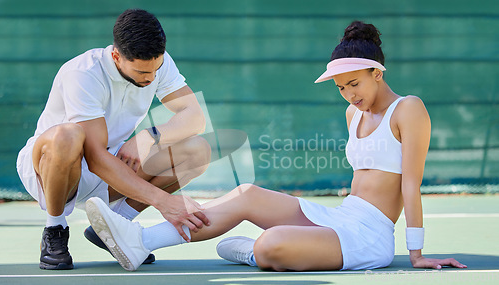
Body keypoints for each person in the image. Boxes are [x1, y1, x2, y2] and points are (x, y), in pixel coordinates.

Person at [84, 21, 467, 272]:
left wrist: (415, 253)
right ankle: (141, 241)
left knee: (271, 246)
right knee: (246, 193)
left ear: (377, 73)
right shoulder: (354, 116)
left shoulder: (409, 109)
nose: (349, 96)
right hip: (342, 216)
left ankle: (255, 251)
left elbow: (410, 185)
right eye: (341, 89)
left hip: (370, 237)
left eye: (355, 84)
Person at [16, 9, 211, 270]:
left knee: (197, 150)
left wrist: (148, 136)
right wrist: (163, 202)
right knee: (68, 135)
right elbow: (95, 158)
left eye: (156, 69)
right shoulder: (83, 73)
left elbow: (195, 117)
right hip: (54, 170)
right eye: (142, 72)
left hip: (110, 163)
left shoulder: (158, 63)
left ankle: (115, 226)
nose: (151, 78)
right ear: (117, 56)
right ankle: (55, 229)